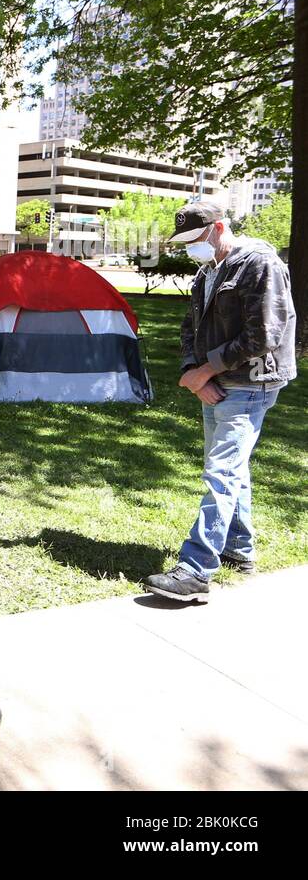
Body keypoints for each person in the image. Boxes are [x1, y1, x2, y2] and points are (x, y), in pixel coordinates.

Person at [144, 201, 297, 603]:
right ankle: (238, 549)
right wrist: (195, 372)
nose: (192, 248)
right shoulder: (208, 271)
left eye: (196, 239)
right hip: (216, 381)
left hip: (251, 383)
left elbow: (265, 334)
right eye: (187, 242)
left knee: (221, 472)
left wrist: (206, 371)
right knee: (232, 469)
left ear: (219, 228)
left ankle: (196, 570)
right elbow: (189, 327)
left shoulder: (260, 264)